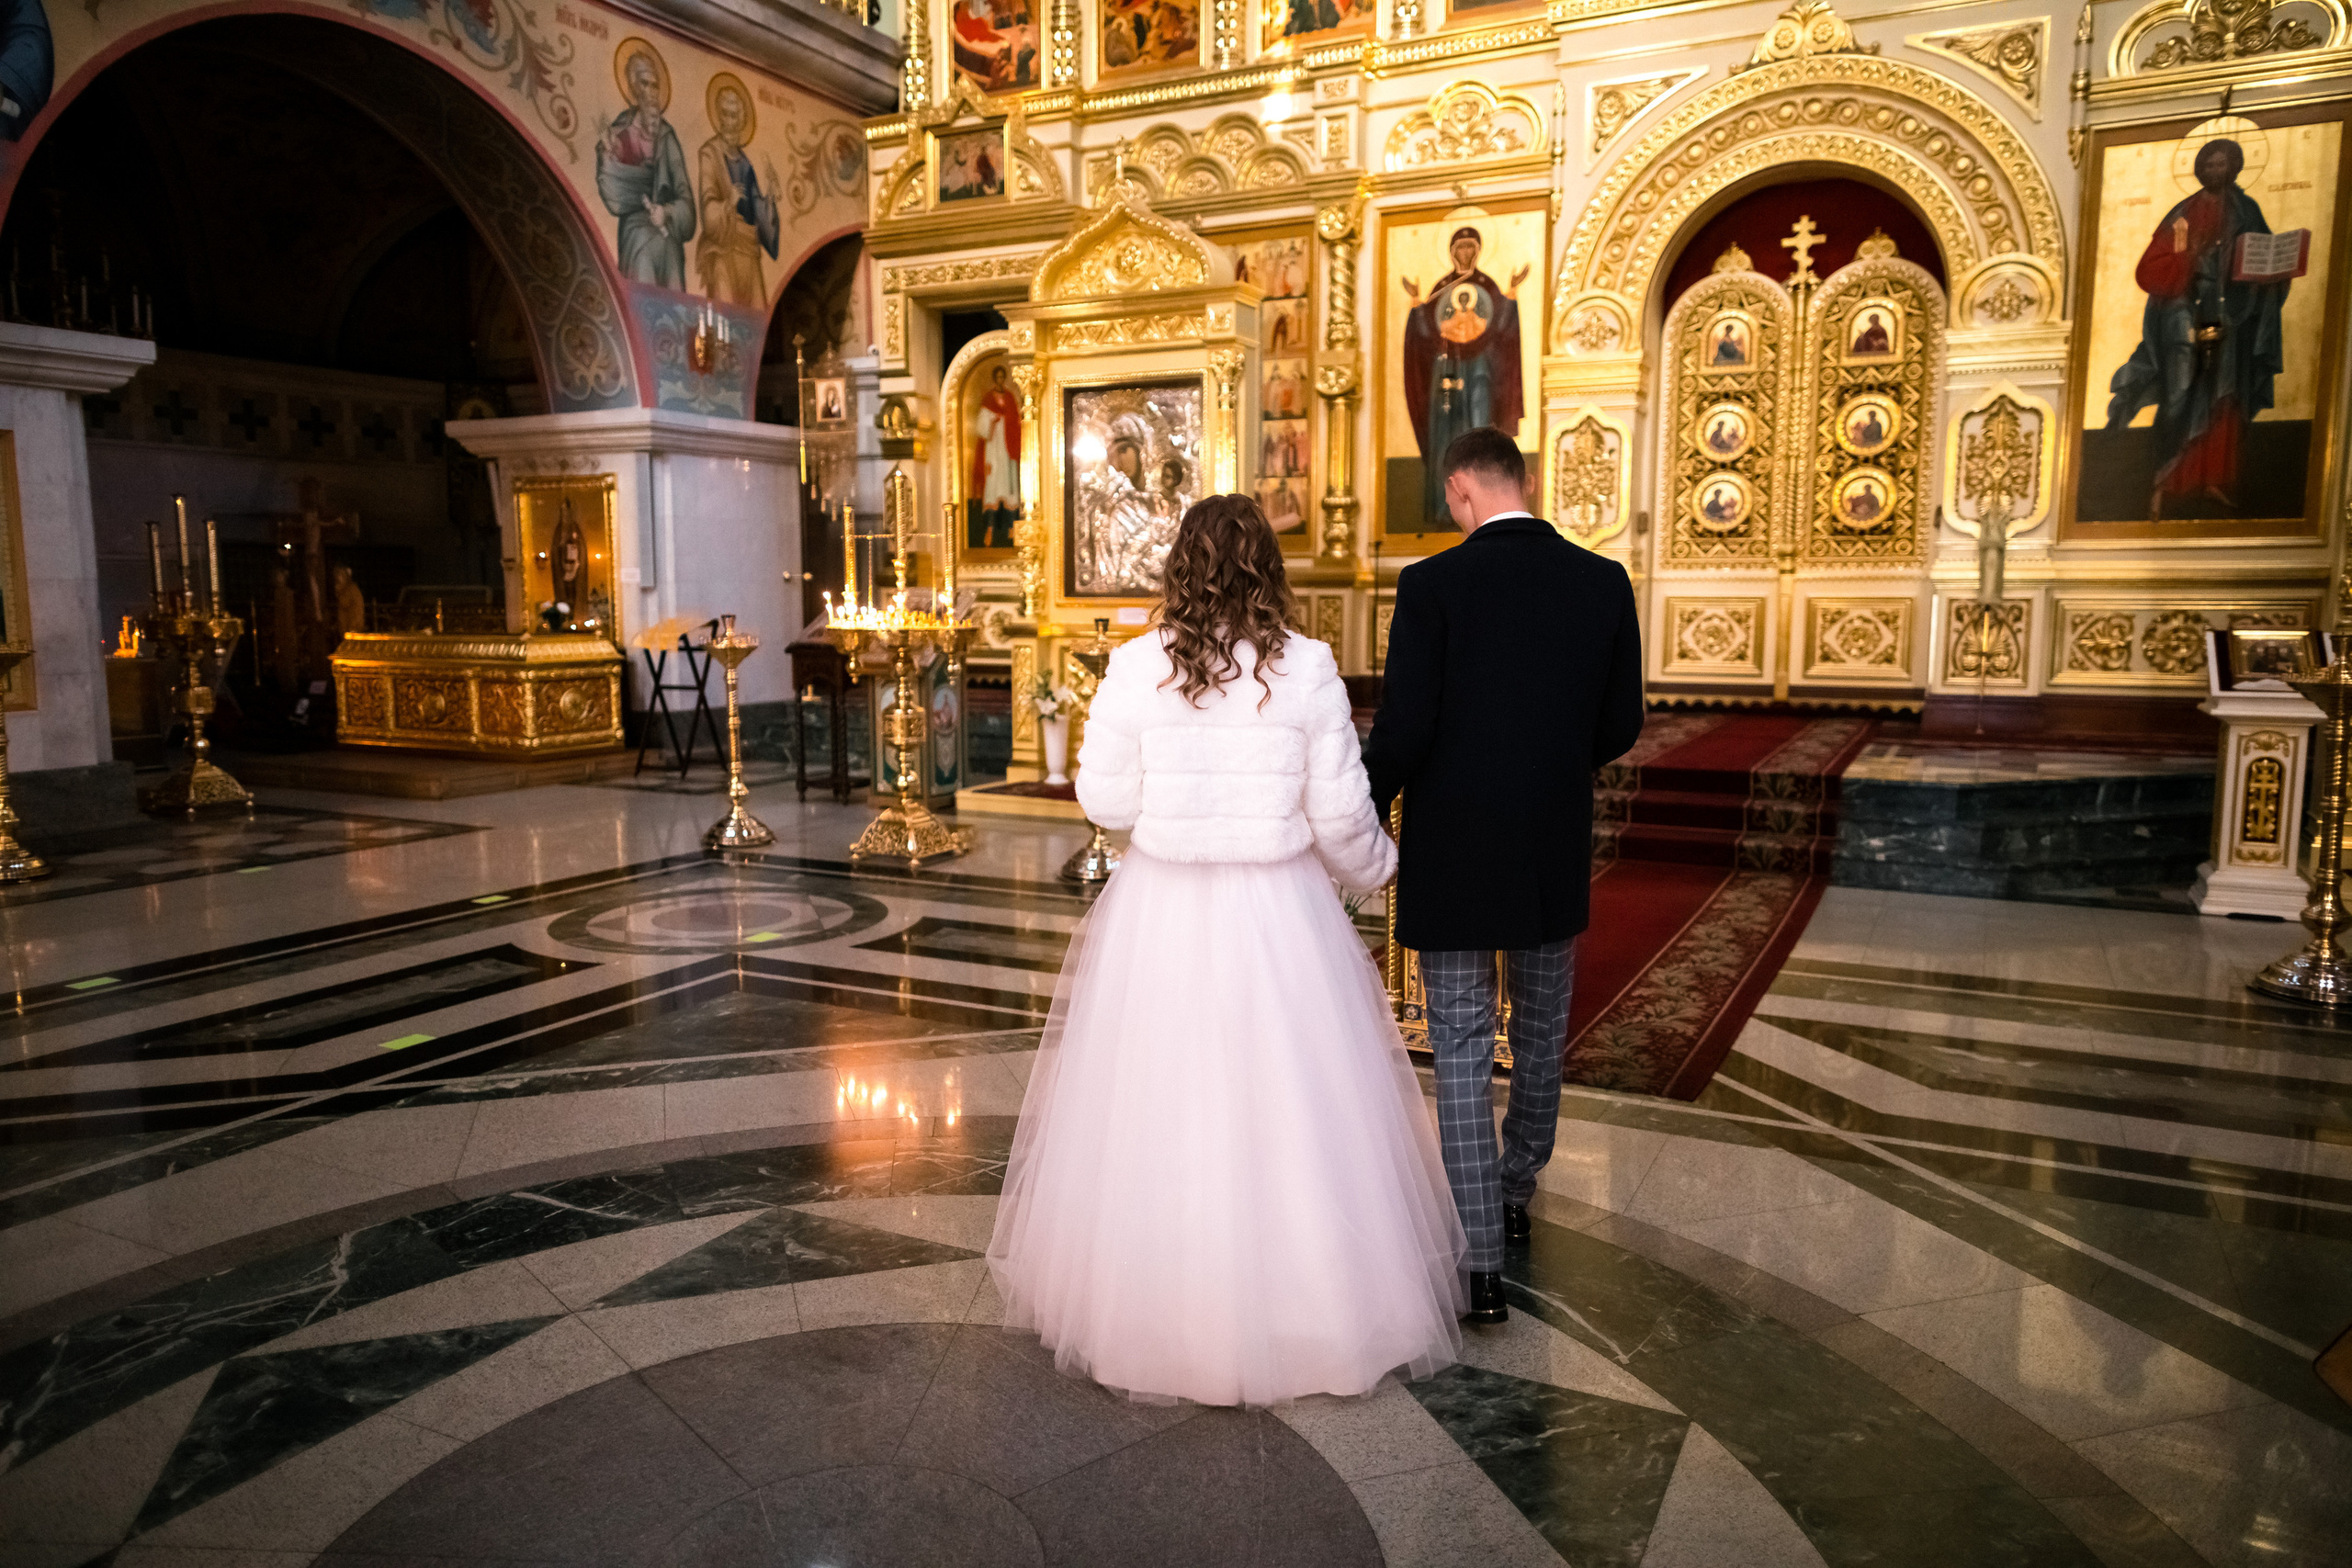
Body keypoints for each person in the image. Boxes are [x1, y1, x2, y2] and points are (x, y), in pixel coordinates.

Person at [989, 493, 1464, 1404]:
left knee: (1158, 1105)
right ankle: (1309, 1314)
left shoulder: (1134, 666)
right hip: (1278, 914)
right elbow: (1338, 810)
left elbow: (1106, 802)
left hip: (1162, 910)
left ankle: (1155, 1314)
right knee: (1289, 1104)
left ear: (1179, 566)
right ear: (1268, 571)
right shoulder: (1310, 667)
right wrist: (1380, 866)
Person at [1365, 427, 1644, 1325]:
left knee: (1456, 1040)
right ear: (1523, 481)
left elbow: (1405, 726)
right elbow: (1621, 724)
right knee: (1540, 1029)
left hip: (1451, 847)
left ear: (1459, 492)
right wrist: (1555, 763)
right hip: (1548, 842)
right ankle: (1517, 1190)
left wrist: (1361, 805)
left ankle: (1478, 1255)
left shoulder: (1431, 585)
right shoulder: (1601, 583)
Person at [2107, 137, 2289, 519]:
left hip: (2233, 318)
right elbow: (2149, 269)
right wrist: (2189, 259)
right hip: (2184, 316)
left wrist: (2270, 276)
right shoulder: (2183, 214)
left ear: (2235, 168)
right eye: (2209, 164)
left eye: (2223, 165)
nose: (2215, 171)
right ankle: (2163, 481)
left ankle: (2213, 480)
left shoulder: (2247, 210)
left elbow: (2261, 255)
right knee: (2180, 396)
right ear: (2199, 169)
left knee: (2226, 397)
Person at [1402, 227, 1527, 526]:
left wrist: (1510, 296)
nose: (1465, 254)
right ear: (1452, 252)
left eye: (1471, 248)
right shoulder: (1442, 288)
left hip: (1480, 373)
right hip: (1443, 379)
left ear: (1478, 251)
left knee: (1480, 434)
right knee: (1444, 439)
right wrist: (1418, 304)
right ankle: (1443, 508)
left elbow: (1500, 331)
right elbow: (1425, 337)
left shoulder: (1488, 286)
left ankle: (1486, 516)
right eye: (1460, 249)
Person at [596, 47, 695, 288]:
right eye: (644, 84)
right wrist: (609, 160)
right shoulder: (620, 135)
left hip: (668, 243)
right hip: (636, 237)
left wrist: (668, 213)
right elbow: (613, 194)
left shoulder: (667, 138)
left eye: (655, 85)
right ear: (632, 89)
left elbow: (688, 206)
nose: (651, 93)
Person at [695, 81, 778, 306]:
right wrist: (728, 204)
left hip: (749, 252)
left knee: (757, 317)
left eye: (735, 117)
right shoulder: (709, 154)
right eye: (726, 115)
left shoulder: (744, 162)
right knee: (725, 318)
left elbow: (757, 210)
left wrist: (770, 198)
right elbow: (707, 204)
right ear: (719, 118)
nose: (731, 123)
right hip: (724, 249)